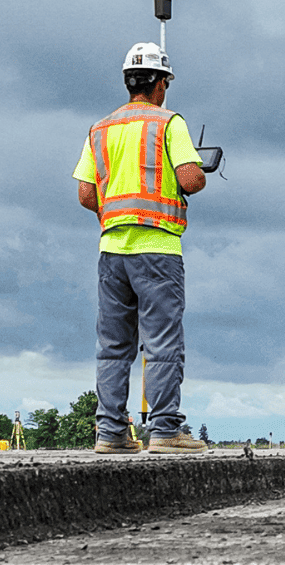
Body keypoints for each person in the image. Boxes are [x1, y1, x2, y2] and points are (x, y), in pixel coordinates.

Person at [73, 42, 207, 454]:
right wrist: (199, 174)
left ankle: (111, 433)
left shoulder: (100, 129)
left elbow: (85, 194)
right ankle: (165, 431)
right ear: (161, 83)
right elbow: (190, 179)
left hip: (112, 250)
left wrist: (117, 209)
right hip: (158, 248)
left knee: (113, 347)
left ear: (129, 82)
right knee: (162, 344)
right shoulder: (169, 123)